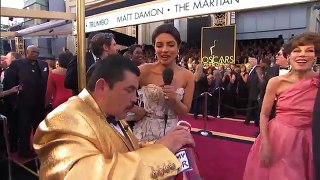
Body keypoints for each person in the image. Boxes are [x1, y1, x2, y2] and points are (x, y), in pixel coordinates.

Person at [33, 55, 195, 179]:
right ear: (101, 87)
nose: (134, 99)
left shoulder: (113, 113)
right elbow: (90, 175)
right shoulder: (62, 120)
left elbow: (129, 150)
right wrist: (162, 150)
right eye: (129, 90)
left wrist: (162, 144)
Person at [244, 32, 320, 180]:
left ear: (315, 56)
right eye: (297, 51)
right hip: (278, 138)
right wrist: (265, 143)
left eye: (309, 50)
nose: (302, 55)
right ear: (289, 56)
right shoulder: (276, 82)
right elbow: (264, 114)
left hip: (309, 140)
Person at [131, 24, 195, 142]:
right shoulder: (143, 70)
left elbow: (185, 112)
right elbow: (121, 93)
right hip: (145, 133)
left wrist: (174, 99)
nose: (164, 50)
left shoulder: (188, 76)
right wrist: (136, 110)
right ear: (154, 47)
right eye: (159, 45)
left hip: (171, 132)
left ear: (178, 46)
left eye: (170, 45)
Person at [4, 45, 49, 158]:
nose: (35, 54)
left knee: (38, 128)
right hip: (23, 103)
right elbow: (10, 84)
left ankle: (39, 148)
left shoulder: (43, 64)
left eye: (37, 52)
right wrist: (14, 102)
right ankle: (24, 152)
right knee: (24, 129)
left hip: (39, 103)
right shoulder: (17, 64)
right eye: (33, 52)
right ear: (26, 52)